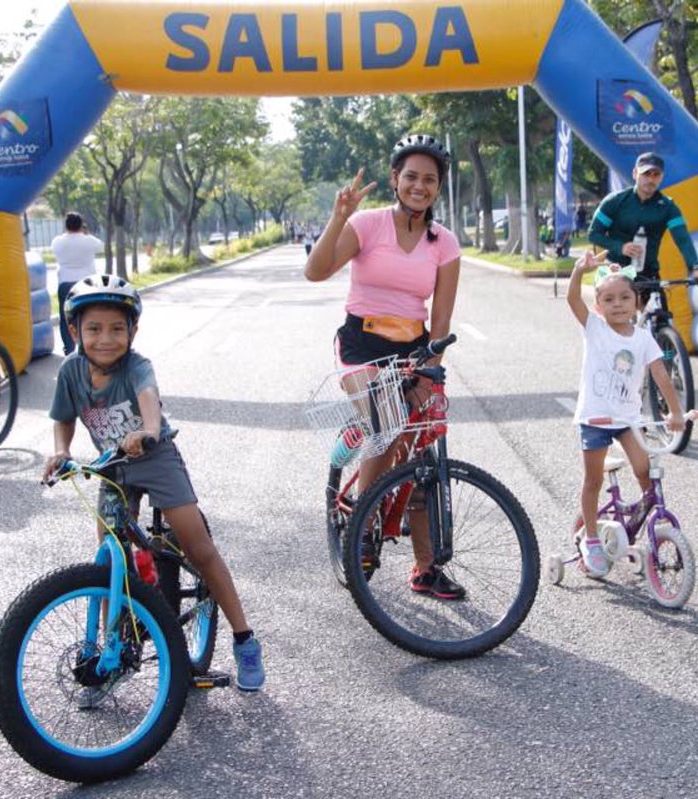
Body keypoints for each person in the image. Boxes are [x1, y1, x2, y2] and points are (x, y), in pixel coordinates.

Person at [42, 275, 265, 692]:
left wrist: (145, 432)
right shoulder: (71, 371)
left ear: (133, 331)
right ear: (74, 331)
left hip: (154, 457)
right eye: (93, 329)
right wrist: (61, 451)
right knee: (109, 559)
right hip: (112, 466)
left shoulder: (138, 366)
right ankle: (110, 649)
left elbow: (148, 400)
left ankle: (244, 638)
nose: (105, 339)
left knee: (199, 548)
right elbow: (63, 418)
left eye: (116, 328)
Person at [304, 133, 464, 600]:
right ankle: (362, 519)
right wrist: (338, 218)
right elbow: (316, 272)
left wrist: (429, 366)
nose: (419, 185)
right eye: (410, 176)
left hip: (412, 347)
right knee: (383, 423)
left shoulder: (445, 243)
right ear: (395, 179)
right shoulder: (367, 224)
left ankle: (425, 566)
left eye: (429, 179)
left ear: (438, 187)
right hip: (360, 343)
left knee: (420, 453)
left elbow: (441, 320)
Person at [566, 252, 684, 577]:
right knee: (593, 480)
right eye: (608, 299)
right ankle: (590, 538)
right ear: (598, 306)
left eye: (625, 297)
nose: (617, 304)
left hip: (628, 420)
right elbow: (572, 298)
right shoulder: (594, 328)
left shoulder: (644, 338)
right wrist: (579, 271)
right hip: (595, 419)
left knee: (645, 470)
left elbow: (660, 374)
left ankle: (641, 523)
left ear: (638, 302)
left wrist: (675, 411)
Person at [588, 152, 698, 290]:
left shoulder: (668, 207)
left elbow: (683, 239)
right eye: (646, 174)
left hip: (648, 275)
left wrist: (696, 267)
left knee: (661, 312)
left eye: (656, 175)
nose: (651, 179)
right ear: (635, 174)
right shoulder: (614, 201)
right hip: (615, 272)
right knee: (617, 310)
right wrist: (620, 247)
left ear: (662, 177)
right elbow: (594, 234)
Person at [51, 213, 103, 355]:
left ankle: (69, 350)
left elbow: (55, 250)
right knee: (89, 315)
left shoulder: (57, 242)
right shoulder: (89, 241)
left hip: (65, 284)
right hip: (87, 284)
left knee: (66, 318)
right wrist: (86, 234)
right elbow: (100, 247)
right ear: (81, 225)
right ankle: (88, 346)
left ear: (66, 225)